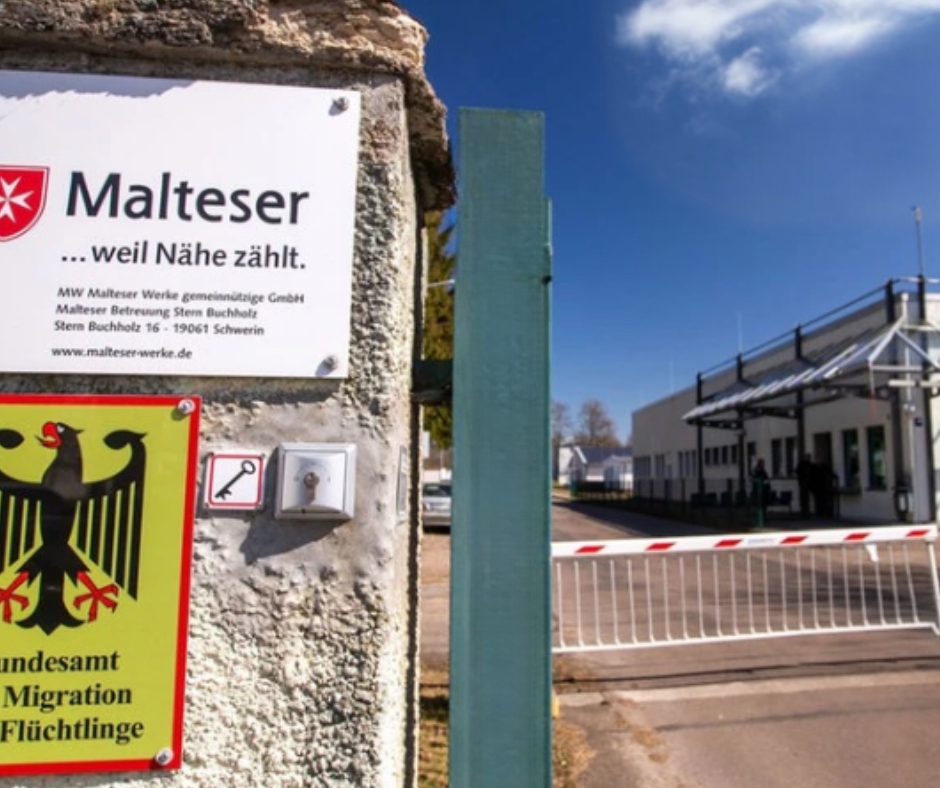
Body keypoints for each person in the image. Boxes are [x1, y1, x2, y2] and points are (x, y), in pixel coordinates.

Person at [751, 458, 771, 523]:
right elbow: (763, 479)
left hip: (762, 491)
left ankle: (761, 518)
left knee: (762, 506)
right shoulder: (759, 471)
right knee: (761, 505)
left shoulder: (758, 471)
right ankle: (761, 518)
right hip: (761, 491)